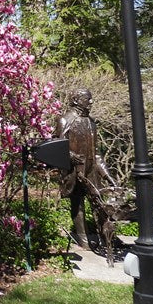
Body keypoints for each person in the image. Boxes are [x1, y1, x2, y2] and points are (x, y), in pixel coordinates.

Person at [57, 88, 100, 248]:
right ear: (76, 100)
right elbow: (59, 146)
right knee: (77, 203)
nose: (91, 102)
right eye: (87, 99)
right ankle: (83, 239)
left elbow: (97, 151)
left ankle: (104, 236)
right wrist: (72, 156)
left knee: (98, 201)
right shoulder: (65, 120)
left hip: (91, 168)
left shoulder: (91, 122)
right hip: (74, 170)